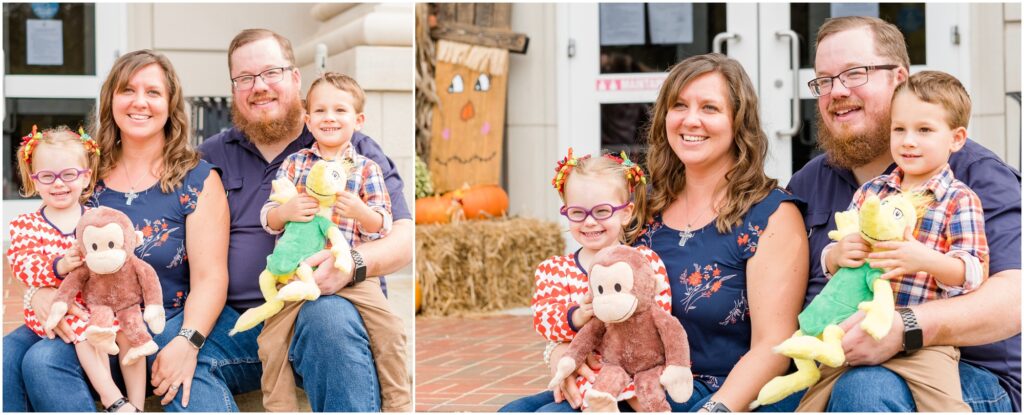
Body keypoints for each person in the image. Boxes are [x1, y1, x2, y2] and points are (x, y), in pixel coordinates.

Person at [787, 16, 1021, 412]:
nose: (836, 92)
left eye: (854, 73)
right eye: (824, 81)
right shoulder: (811, 182)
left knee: (863, 390)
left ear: (899, 78)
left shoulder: (974, 175)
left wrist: (905, 328)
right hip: (833, 359)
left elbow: (1015, 299)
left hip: (964, 372)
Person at [198, 28, 413, 411]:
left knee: (327, 317)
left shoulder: (351, 149)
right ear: (234, 88)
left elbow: (401, 238)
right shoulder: (212, 154)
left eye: (271, 73)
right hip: (246, 317)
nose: (259, 86)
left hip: (327, 306)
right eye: (245, 78)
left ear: (295, 78)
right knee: (179, 349)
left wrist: (350, 267)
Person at [5, 50, 231, 412]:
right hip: (92, 315)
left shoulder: (197, 179)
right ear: (110, 99)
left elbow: (211, 277)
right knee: (20, 357)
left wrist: (189, 340)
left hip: (164, 318)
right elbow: (42, 241)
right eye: (127, 90)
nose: (139, 102)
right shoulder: (85, 174)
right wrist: (38, 295)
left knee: (41, 360)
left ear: (171, 104)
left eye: (153, 92)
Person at [631, 53, 808, 412]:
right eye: (679, 105)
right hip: (638, 389)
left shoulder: (770, 215)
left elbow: (773, 345)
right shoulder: (644, 210)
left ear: (737, 123)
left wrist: (715, 409)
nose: (690, 119)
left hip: (728, 394)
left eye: (709, 108)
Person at [251, 72, 410, 412]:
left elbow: (383, 225)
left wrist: (361, 212)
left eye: (340, 110)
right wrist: (287, 211)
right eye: (320, 111)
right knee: (270, 341)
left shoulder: (367, 168)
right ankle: (280, 407)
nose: (330, 118)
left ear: (359, 119)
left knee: (391, 331)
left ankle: (399, 403)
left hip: (352, 275)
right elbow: (268, 216)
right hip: (298, 275)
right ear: (307, 119)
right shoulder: (295, 165)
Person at [499, 150, 675, 412]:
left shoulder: (643, 263)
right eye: (577, 212)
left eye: (602, 211)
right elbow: (543, 320)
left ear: (626, 213)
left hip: (634, 382)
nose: (590, 221)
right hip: (581, 380)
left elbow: (659, 314)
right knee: (512, 410)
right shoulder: (555, 269)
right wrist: (577, 317)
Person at [5, 125, 147, 412]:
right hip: (57, 315)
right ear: (33, 179)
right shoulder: (26, 226)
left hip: (105, 304)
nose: (58, 184)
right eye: (47, 176)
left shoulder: (98, 221)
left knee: (132, 329)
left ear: (86, 178)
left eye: (68, 174)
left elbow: (122, 251)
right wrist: (58, 266)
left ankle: (138, 404)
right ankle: (113, 399)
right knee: (11, 354)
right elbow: (22, 265)